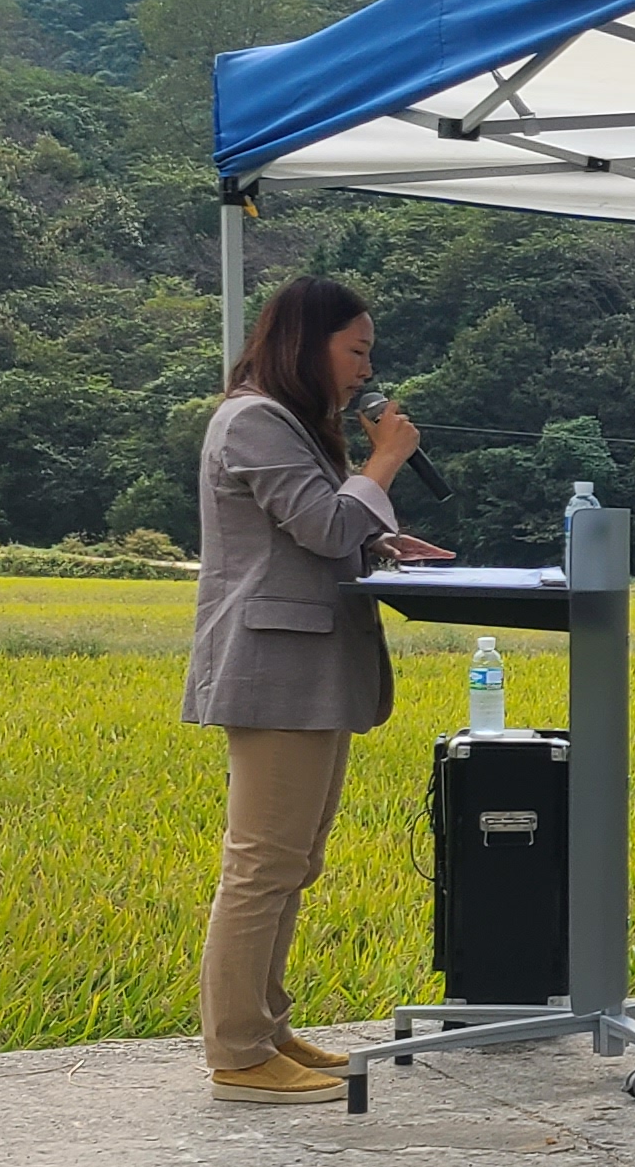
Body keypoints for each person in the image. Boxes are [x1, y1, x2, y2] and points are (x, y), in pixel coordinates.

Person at [183, 274, 451, 1102]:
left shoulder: (292, 426)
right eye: (356, 349)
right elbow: (325, 524)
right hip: (274, 670)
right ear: (307, 343)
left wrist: (385, 541)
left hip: (310, 669)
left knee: (295, 863)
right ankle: (236, 1053)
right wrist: (386, 463)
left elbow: (323, 536)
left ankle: (267, 1026)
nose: (366, 369)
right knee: (262, 865)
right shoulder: (255, 420)